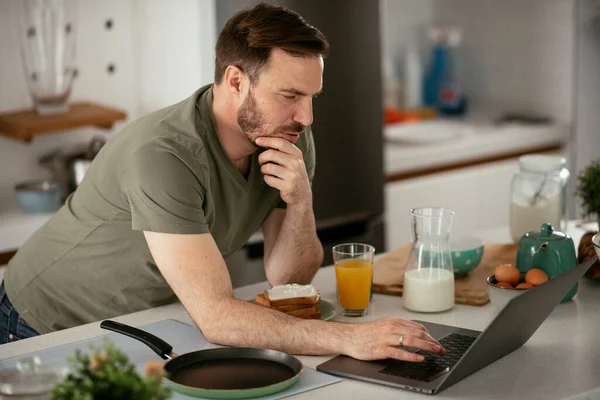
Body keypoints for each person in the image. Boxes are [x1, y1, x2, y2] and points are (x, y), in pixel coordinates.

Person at [0, 2, 444, 361]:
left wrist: (300, 201)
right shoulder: (163, 154)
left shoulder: (286, 135)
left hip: (146, 317)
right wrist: (350, 340)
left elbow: (288, 277)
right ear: (235, 81)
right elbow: (217, 317)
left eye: (311, 97)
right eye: (290, 96)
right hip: (43, 320)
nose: (306, 117)